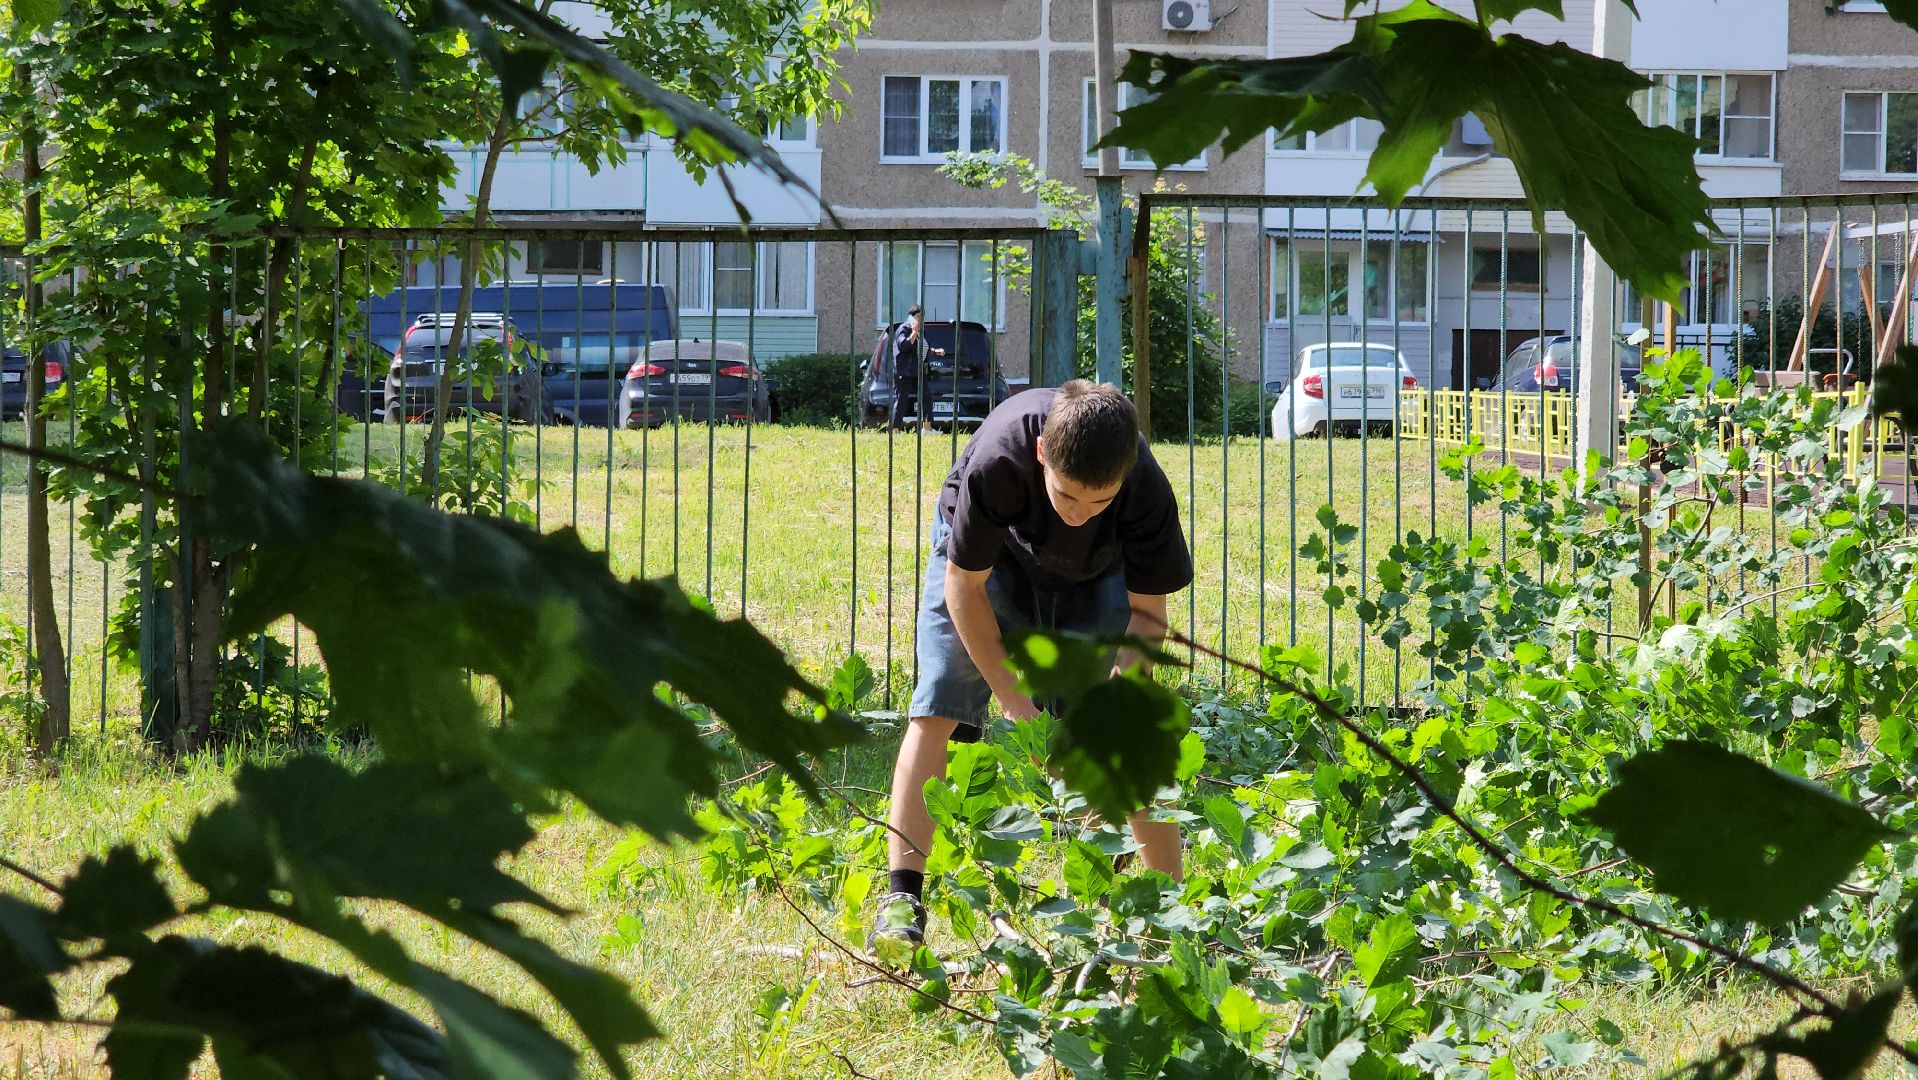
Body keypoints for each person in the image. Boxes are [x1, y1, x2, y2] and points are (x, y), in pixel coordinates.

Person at [868, 379, 1193, 948]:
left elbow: (1147, 614)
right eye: (1067, 496)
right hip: (984, 566)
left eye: (1099, 501)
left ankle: (1170, 919)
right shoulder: (998, 459)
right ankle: (901, 901)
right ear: (1042, 452)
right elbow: (964, 590)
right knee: (940, 698)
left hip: (1097, 572)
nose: (1079, 513)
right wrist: (1016, 702)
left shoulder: (1143, 486)